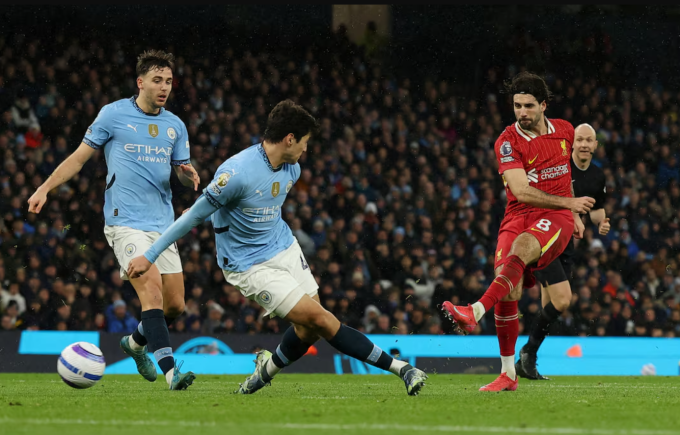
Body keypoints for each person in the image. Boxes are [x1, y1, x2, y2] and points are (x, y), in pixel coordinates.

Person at [127, 100, 429, 396]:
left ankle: (263, 373)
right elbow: (192, 216)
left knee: (308, 330)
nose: (306, 150)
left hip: (284, 247)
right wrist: (149, 256)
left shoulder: (291, 169)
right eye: (304, 142)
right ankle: (402, 369)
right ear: (289, 139)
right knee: (322, 319)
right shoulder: (236, 173)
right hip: (249, 266)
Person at [27, 50, 199, 391]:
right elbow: (78, 159)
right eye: (157, 80)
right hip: (125, 221)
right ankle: (170, 372)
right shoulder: (114, 114)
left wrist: (186, 174)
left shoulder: (175, 126)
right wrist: (45, 187)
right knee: (150, 292)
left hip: (163, 225)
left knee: (175, 305)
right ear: (140, 83)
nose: (164, 87)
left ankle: (134, 345)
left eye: (168, 81)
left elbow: (180, 174)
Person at [441, 72, 595, 391]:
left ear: (543, 105)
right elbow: (521, 191)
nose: (521, 112)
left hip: (554, 216)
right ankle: (508, 374)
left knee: (522, 248)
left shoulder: (565, 131)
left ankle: (475, 310)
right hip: (517, 213)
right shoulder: (507, 142)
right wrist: (571, 201)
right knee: (506, 284)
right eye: (516, 106)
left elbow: (568, 172)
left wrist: (571, 209)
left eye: (527, 106)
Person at [516, 123, 610, 380]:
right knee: (562, 300)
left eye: (588, 140)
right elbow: (552, 196)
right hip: (546, 236)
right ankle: (526, 354)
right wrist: (571, 214)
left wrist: (602, 222)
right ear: (572, 143)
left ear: (595, 145)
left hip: (566, 243)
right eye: (579, 139)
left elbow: (595, 210)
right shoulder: (559, 167)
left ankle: (525, 362)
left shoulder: (598, 176)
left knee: (550, 308)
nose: (583, 144)